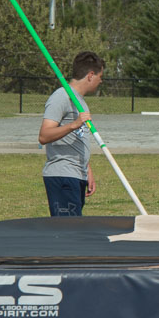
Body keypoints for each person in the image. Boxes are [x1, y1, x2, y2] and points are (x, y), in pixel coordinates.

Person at [38, 51, 104, 217]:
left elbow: (78, 138)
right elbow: (44, 135)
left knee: (74, 230)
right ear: (90, 75)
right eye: (99, 76)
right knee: (67, 233)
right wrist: (74, 124)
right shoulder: (61, 97)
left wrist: (87, 169)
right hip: (63, 175)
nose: (101, 81)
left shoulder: (80, 101)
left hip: (77, 174)